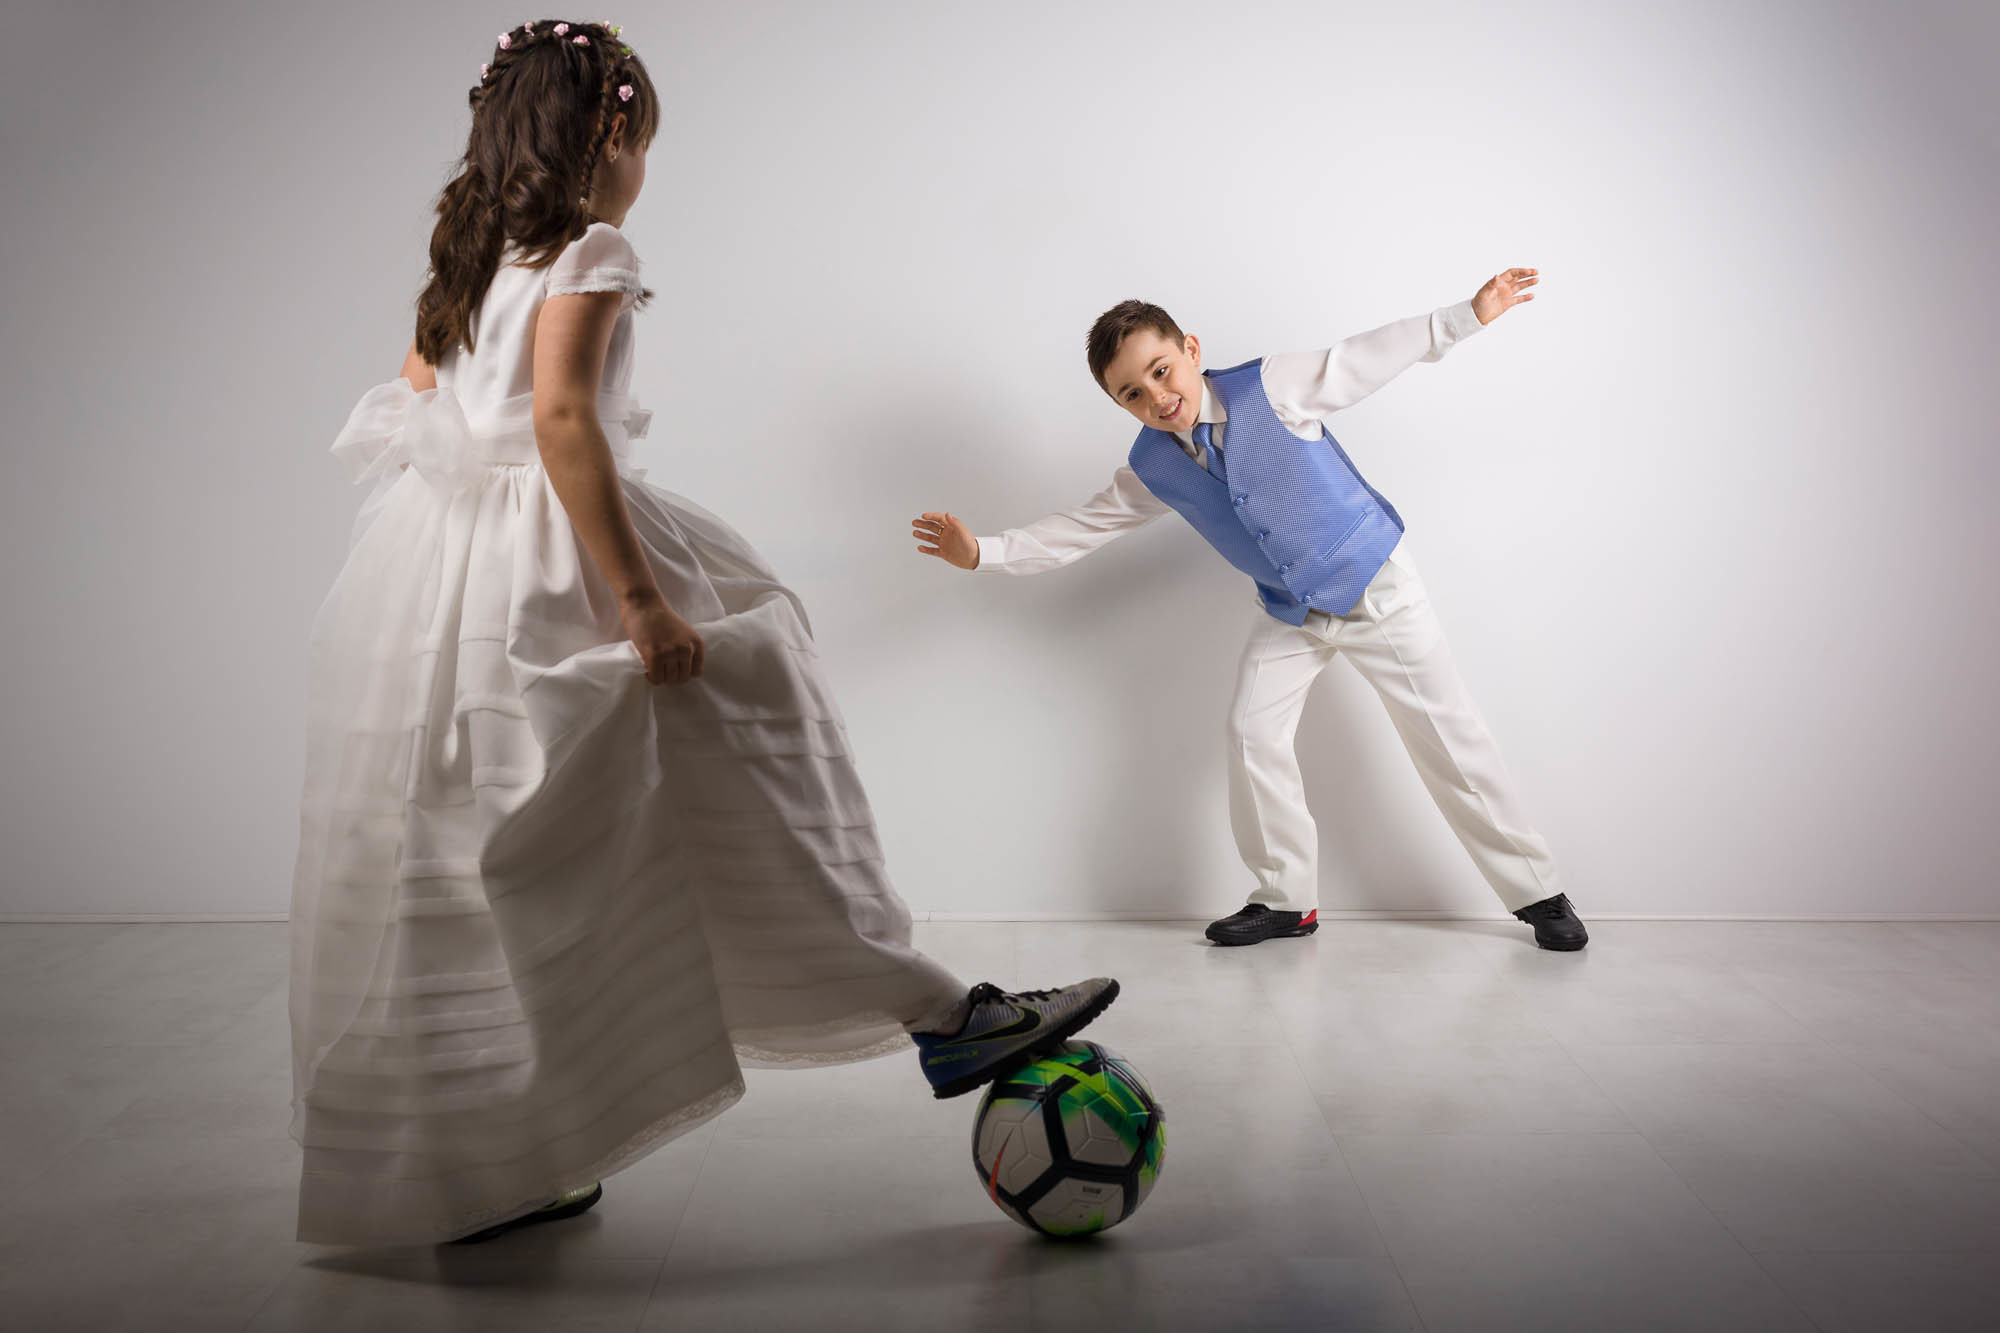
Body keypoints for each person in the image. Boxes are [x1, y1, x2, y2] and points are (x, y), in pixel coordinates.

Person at [288, 19, 1114, 1249]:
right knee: (753, 754)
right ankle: (946, 1016)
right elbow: (564, 422)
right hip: (558, 557)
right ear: (612, 130)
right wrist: (637, 602)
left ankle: (502, 1158)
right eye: (643, 143)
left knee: (486, 856)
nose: (640, 170)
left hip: (453, 572)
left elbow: (420, 395)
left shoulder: (468, 246)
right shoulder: (588, 247)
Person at [912, 276, 1585, 952]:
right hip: (1291, 608)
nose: (1157, 396)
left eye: (1161, 370)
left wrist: (1464, 316)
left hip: (1374, 584)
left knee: (1446, 735)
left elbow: (1362, 358)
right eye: (1133, 394)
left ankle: (1539, 891)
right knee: (1250, 732)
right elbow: (1085, 525)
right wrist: (983, 553)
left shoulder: (1273, 385)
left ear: (1191, 350)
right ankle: (1287, 899)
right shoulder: (1151, 465)